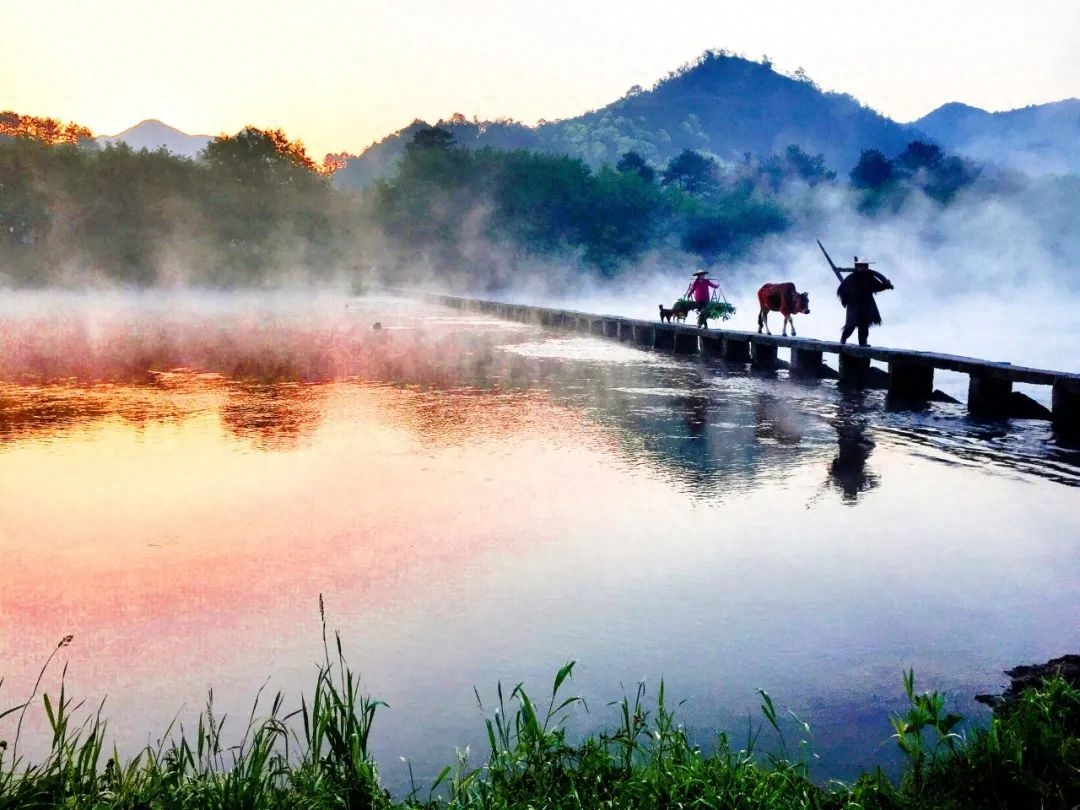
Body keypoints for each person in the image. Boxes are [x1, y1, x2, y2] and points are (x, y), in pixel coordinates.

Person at [837, 257, 893, 346]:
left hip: (866, 304)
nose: (864, 267)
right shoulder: (852, 278)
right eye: (862, 265)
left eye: (866, 265)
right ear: (858, 266)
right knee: (851, 325)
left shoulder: (869, 277)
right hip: (854, 305)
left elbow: (877, 286)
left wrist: (886, 286)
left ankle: (863, 343)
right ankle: (844, 338)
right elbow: (842, 290)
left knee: (864, 325)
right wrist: (844, 301)